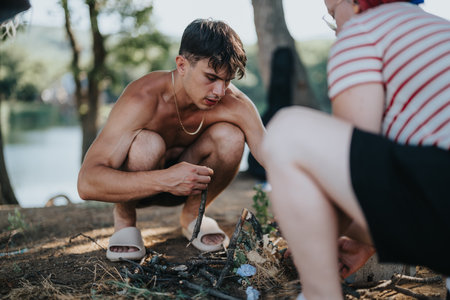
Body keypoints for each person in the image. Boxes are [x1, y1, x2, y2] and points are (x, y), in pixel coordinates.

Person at [262, 0, 450, 299]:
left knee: (287, 130)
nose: (335, 27)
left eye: (333, 12)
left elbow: (355, 169)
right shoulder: (439, 29)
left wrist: (312, 242)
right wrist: (365, 241)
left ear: (356, 3)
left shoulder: (364, 32)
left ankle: (319, 294)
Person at [77, 18, 266, 261]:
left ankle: (192, 217)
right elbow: (86, 183)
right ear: (182, 65)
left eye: (227, 80)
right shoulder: (141, 99)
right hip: (136, 188)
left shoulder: (234, 103)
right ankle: (125, 222)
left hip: (190, 187)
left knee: (230, 136)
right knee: (148, 144)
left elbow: (273, 158)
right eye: (210, 77)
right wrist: (165, 179)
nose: (220, 92)